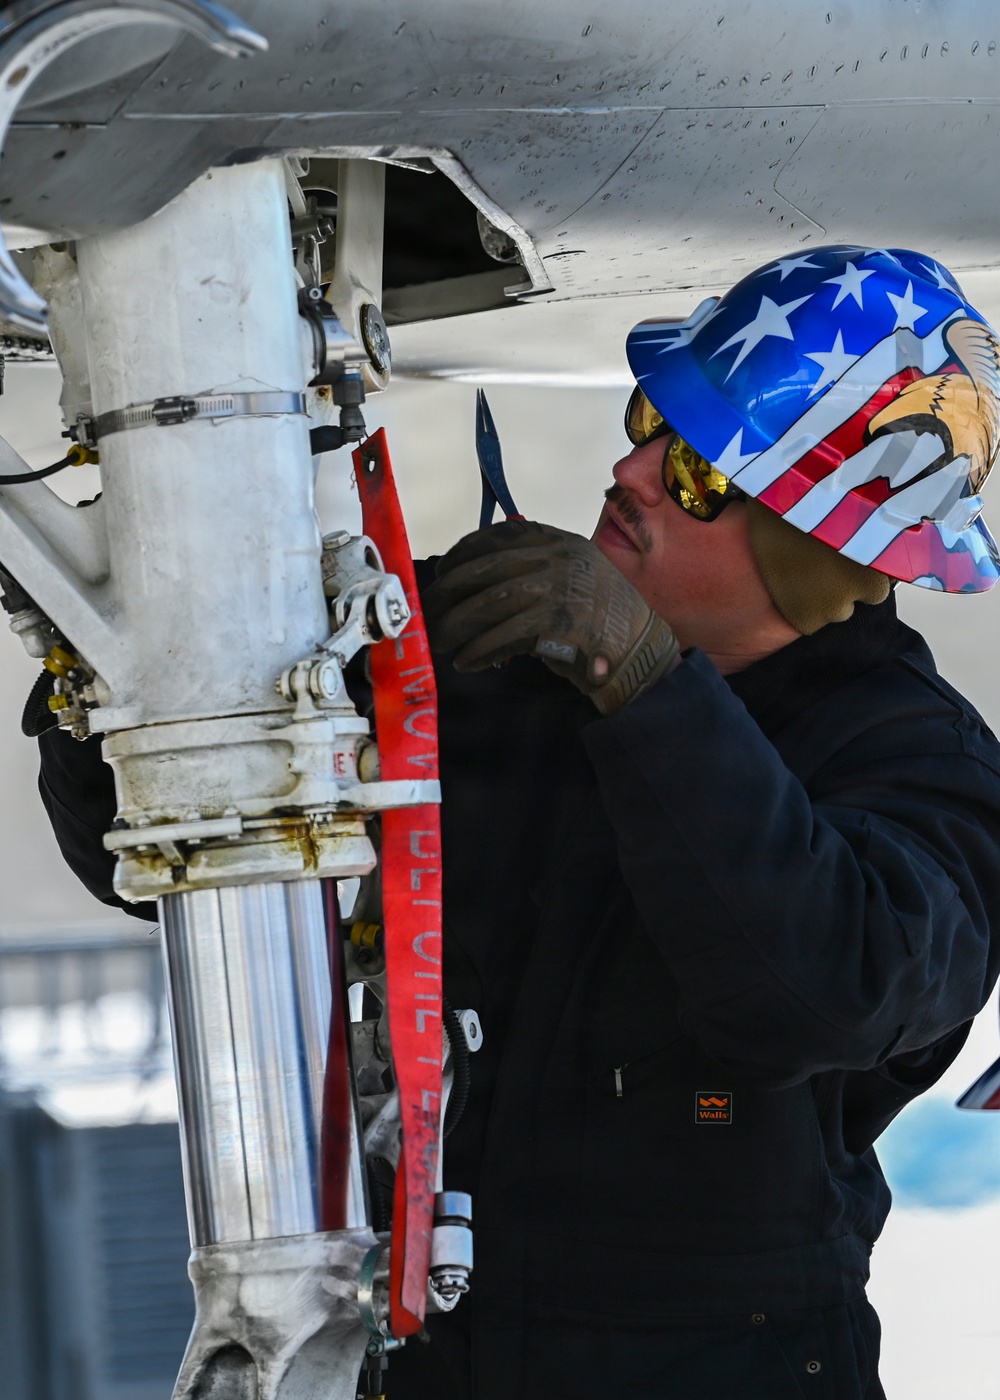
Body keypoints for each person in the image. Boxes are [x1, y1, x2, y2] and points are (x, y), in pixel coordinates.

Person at [36, 247, 1000, 1400]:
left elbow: (819, 985)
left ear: (815, 544)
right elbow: (141, 845)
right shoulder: (518, 650)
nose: (630, 469)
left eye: (695, 468)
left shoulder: (919, 767)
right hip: (429, 1351)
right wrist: (144, 653)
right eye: (651, 418)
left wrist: (643, 685)